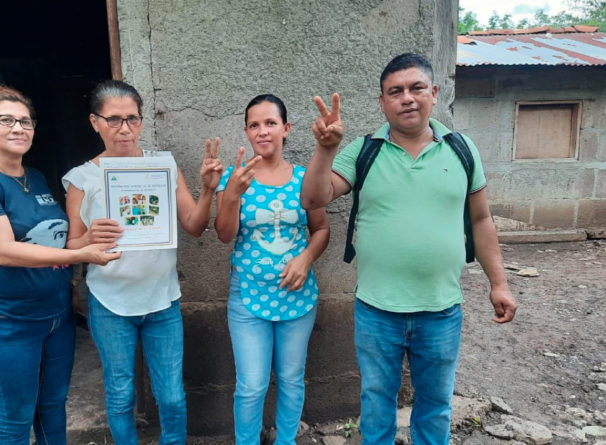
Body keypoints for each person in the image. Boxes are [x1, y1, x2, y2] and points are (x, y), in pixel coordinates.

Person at [300, 53, 518, 445]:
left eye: (417, 88)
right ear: (382, 103)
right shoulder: (363, 151)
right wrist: (325, 150)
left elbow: (482, 221)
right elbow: (313, 199)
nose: (407, 98)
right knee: (377, 403)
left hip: (441, 310)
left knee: (435, 407)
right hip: (377, 310)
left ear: (434, 93)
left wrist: (498, 283)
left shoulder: (462, 150)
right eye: (395, 91)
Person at [0, 85, 121, 445]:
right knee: (16, 418)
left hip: (56, 318)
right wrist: (81, 256)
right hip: (9, 323)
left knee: (53, 409)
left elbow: (52, 238)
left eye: (26, 121)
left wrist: (90, 238)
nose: (18, 128)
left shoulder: (37, 177)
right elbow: (2, 250)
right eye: (6, 120)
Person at [62, 79, 223, 445]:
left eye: (132, 119)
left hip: (162, 299)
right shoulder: (82, 179)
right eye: (114, 119)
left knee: (171, 395)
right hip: (109, 301)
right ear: (95, 122)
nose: (125, 129)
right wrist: (90, 238)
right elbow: (72, 245)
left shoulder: (162, 165)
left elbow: (195, 226)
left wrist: (209, 191)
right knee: (120, 395)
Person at [215, 94, 330, 445]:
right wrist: (232, 194)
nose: (262, 131)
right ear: (247, 132)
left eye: (270, 123)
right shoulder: (234, 179)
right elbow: (224, 235)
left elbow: (322, 230)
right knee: (251, 384)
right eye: (254, 125)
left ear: (286, 129)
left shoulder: (304, 178)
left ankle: (286, 441)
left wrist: (306, 258)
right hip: (247, 296)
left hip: (297, 296)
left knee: (292, 378)